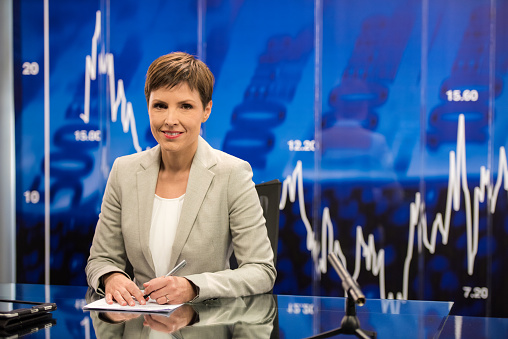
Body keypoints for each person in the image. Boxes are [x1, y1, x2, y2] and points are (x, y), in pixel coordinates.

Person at [85, 52, 276, 307]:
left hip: (205, 324)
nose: (170, 120)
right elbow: (100, 259)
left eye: (185, 106)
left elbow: (261, 271)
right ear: (148, 107)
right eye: (160, 106)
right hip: (138, 324)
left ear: (206, 110)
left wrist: (193, 287)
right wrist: (112, 277)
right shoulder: (124, 171)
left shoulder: (233, 174)